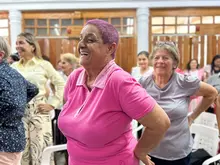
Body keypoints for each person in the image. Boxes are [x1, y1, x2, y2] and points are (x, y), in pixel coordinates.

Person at [58, 19, 171, 165]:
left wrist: (140, 151)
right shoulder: (75, 77)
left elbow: (161, 123)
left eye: (90, 40)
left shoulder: (120, 82)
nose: (81, 45)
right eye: (81, 39)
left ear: (110, 48)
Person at [139, 41, 218, 165]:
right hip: (150, 149)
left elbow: (212, 93)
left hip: (177, 153)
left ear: (175, 63)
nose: (160, 61)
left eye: (165, 58)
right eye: (156, 57)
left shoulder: (185, 82)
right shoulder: (143, 82)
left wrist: (192, 116)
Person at [11, 32, 65, 165]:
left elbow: (60, 83)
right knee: (21, 152)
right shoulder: (13, 67)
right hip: (19, 114)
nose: (17, 46)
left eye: (21, 43)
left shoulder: (44, 65)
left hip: (39, 113)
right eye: (16, 43)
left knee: (40, 151)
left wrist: (52, 104)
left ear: (32, 46)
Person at [0, 36, 38, 165]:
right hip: (14, 138)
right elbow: (33, 89)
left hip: (4, 142)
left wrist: (12, 114)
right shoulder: (13, 72)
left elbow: (11, 104)